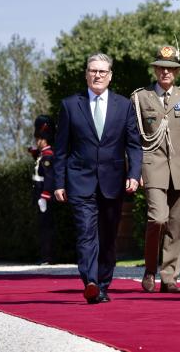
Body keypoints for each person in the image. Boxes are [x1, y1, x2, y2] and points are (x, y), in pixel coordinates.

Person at [53, 53, 142, 304]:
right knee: (85, 232)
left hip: (113, 182)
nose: (98, 75)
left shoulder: (124, 106)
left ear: (110, 75)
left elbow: (134, 145)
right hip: (80, 181)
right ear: (86, 74)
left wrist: (134, 174)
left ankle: (103, 283)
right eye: (93, 71)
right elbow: (61, 149)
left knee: (108, 236)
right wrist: (58, 182)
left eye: (103, 71)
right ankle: (90, 281)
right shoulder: (70, 105)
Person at [131, 45, 180, 293]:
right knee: (158, 218)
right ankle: (149, 269)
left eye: (171, 69)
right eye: (162, 68)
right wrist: (134, 170)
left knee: (176, 225)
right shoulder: (140, 97)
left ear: (176, 72)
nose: (166, 72)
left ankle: (169, 277)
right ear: (156, 69)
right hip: (152, 167)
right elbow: (133, 137)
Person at [31, 115, 57, 265]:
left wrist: (45, 195)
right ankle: (44, 255)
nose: (36, 142)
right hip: (39, 194)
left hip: (43, 196)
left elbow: (49, 177)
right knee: (43, 227)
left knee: (47, 228)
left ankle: (48, 256)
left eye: (38, 139)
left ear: (42, 139)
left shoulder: (48, 155)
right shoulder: (42, 155)